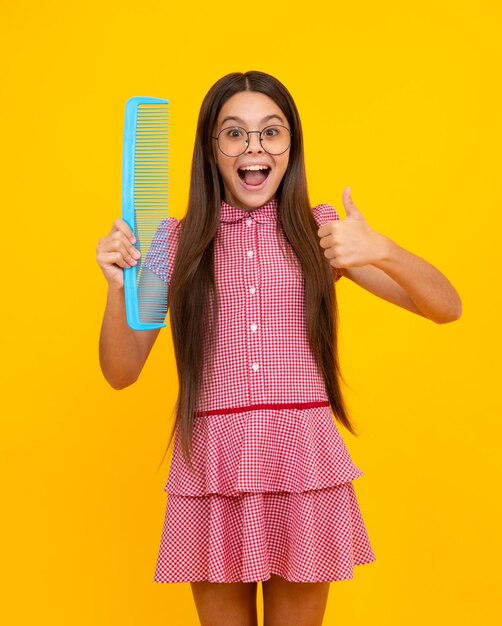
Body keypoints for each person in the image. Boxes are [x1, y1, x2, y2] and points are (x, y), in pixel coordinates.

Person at [96, 71, 462, 626]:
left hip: (303, 460)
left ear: (291, 146)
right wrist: (117, 286)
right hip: (213, 464)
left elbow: (446, 306)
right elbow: (120, 372)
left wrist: (380, 249)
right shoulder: (174, 242)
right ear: (211, 148)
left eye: (271, 132)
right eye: (235, 134)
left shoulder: (322, 234)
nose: (254, 148)